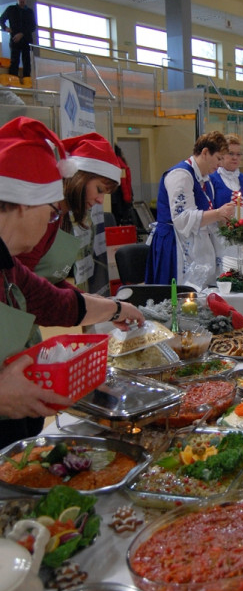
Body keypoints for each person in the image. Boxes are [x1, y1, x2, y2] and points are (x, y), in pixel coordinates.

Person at [0, 117, 144, 449]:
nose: (52, 221)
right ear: (24, 204)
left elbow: (49, 300)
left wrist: (115, 308)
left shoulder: (7, 266)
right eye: (51, 212)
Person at [17, 132, 122, 290]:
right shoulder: (43, 214)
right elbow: (21, 281)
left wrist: (85, 299)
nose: (100, 200)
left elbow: (53, 279)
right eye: (99, 189)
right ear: (79, 178)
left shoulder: (62, 216)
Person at [146, 131, 235, 287]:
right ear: (206, 152)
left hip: (194, 244)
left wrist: (222, 218)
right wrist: (217, 213)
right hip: (174, 246)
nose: (220, 164)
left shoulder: (205, 180)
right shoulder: (181, 175)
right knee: (177, 295)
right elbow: (182, 218)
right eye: (218, 158)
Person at [0, 0, 37, 81]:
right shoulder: (11, 9)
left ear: (26, 0)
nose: (22, 0)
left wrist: (22, 33)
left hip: (26, 39)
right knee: (14, 60)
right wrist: (5, 28)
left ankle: (27, 79)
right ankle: (13, 79)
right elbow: (1, 19)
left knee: (27, 61)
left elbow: (33, 26)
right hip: (15, 39)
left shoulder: (29, 12)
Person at [111, 144, 137, 226]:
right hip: (123, 198)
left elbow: (122, 184)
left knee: (117, 220)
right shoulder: (122, 162)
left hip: (118, 198)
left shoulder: (117, 164)